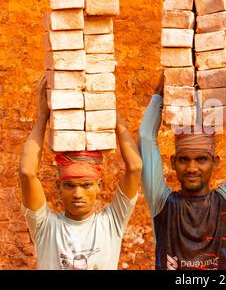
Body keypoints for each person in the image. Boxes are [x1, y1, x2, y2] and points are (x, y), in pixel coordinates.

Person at [19, 76, 142, 270]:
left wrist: (112, 113)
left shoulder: (112, 222)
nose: (78, 194)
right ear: (59, 187)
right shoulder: (46, 227)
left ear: (98, 186)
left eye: (86, 185)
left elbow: (135, 167)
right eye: (70, 185)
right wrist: (42, 117)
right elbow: (27, 172)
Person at [139, 72, 226, 270]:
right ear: (173, 162)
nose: (192, 168)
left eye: (201, 159)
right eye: (184, 159)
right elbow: (146, 138)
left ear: (215, 162)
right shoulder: (162, 203)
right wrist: (160, 92)